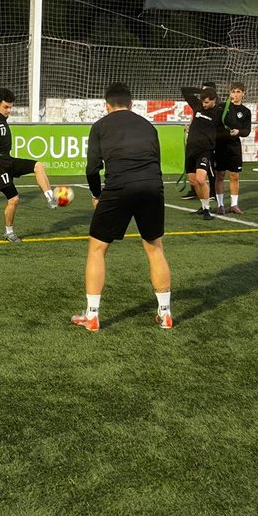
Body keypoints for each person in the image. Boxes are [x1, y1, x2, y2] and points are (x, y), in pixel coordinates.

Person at [71, 82, 172, 332]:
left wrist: (97, 195)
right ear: (131, 104)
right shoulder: (148, 126)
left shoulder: (100, 126)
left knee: (97, 249)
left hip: (120, 187)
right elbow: (156, 161)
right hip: (152, 186)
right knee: (154, 247)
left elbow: (92, 168)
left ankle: (92, 315)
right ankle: (165, 313)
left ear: (107, 105)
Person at [0, 88, 57, 244]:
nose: (9, 111)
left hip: (8, 160)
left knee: (39, 166)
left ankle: (50, 198)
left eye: (10, 107)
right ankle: (9, 232)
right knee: (14, 199)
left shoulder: (1, 118)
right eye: (6, 107)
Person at [181, 82, 220, 220]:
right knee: (193, 181)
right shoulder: (198, 105)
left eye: (207, 102)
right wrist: (202, 91)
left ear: (214, 100)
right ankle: (203, 207)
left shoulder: (219, 112)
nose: (204, 104)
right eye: (203, 101)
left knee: (201, 179)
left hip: (204, 150)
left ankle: (207, 210)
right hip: (191, 149)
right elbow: (184, 90)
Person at [214, 83, 252, 214]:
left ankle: (234, 205)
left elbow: (247, 130)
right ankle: (220, 205)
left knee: (234, 175)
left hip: (234, 146)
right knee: (220, 174)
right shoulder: (222, 107)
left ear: (243, 94)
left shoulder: (246, 111)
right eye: (233, 91)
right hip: (220, 144)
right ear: (230, 93)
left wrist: (238, 132)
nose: (235, 94)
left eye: (238, 92)